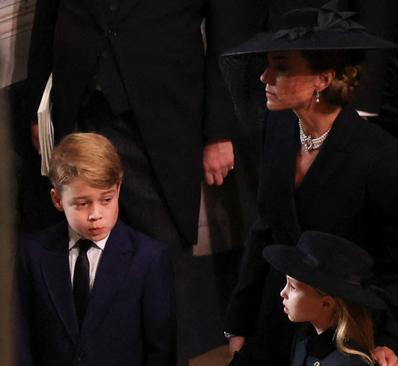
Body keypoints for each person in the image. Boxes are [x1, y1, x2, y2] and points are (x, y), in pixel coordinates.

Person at [24, 0, 259, 362]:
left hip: (162, 114)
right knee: (80, 263)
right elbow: (47, 17)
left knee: (160, 259)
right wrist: (39, 109)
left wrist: (218, 131)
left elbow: (228, 32)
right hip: (78, 106)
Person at [221, 3, 398, 366]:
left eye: (280, 67)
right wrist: (237, 325)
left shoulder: (381, 156)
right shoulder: (277, 128)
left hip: (339, 336)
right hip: (272, 318)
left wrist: (388, 340)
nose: (264, 77)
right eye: (267, 65)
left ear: (323, 79)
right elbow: (264, 232)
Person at [16, 132, 175, 366]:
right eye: (82, 203)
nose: (95, 214)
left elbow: (161, 350)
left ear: (118, 190)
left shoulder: (148, 258)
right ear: (58, 200)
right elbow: (21, 338)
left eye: (106, 199)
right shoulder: (33, 253)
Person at [262, 231, 385, 366]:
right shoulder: (304, 340)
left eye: (293, 287)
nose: (283, 293)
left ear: (326, 304)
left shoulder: (349, 362)